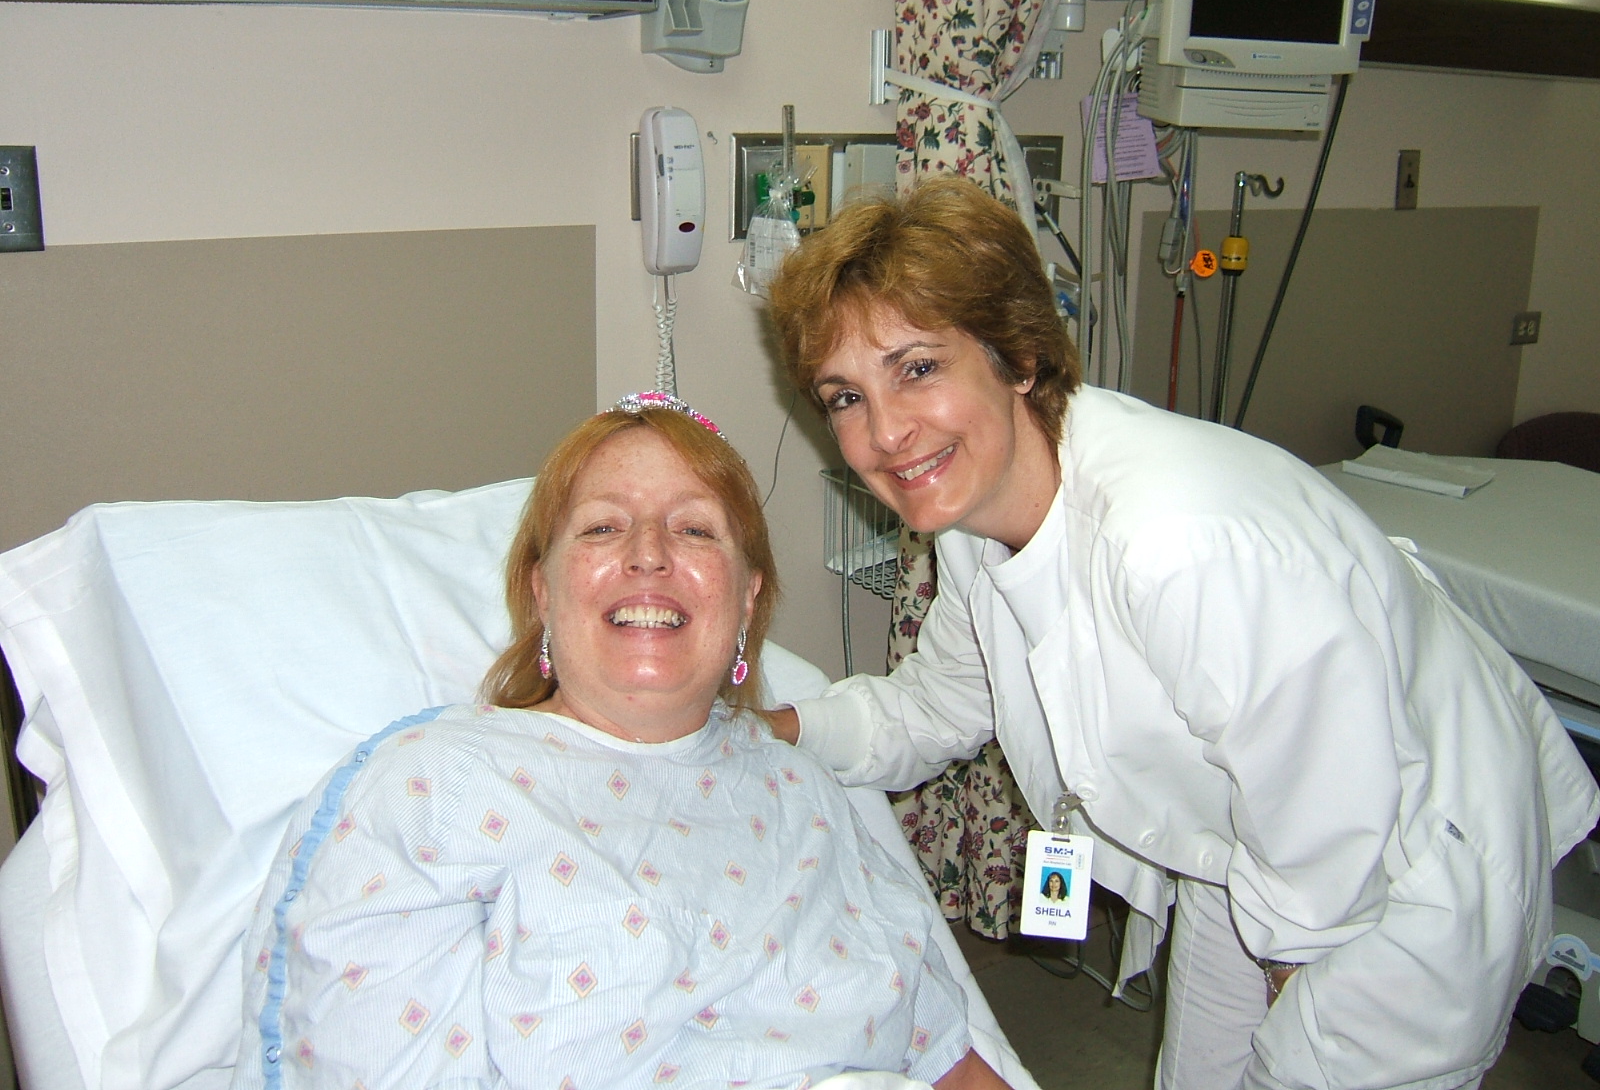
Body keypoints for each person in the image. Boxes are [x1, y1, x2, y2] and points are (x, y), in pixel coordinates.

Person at [763, 177, 1600, 1090]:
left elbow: (1332, 836)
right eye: (845, 397)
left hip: (1402, 862)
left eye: (918, 368)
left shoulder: (1174, 542)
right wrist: (776, 729)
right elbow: (937, 705)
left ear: (1020, 357)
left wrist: (1295, 994)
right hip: (1251, 840)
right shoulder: (974, 520)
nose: (886, 432)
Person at [230, 393, 1010, 1090]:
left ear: (747, 600)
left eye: (694, 529)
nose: (648, 553)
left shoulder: (804, 794)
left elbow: (950, 1062)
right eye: (604, 527)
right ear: (541, 591)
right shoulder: (432, 791)